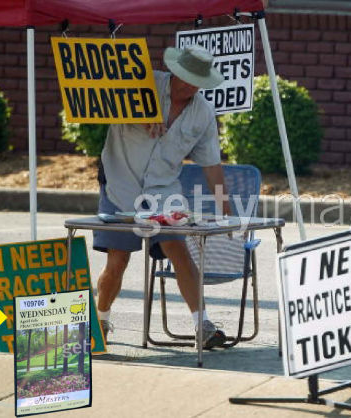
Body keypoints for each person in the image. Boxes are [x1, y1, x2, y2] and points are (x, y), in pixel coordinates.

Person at [94, 45, 230, 349]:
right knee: (118, 260)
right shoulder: (143, 83)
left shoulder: (203, 112)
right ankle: (100, 322)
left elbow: (211, 163)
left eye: (195, 80)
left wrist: (225, 207)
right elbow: (101, 101)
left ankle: (202, 326)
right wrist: (136, 114)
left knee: (177, 249)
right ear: (173, 71)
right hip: (120, 182)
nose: (188, 85)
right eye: (183, 77)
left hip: (163, 192)